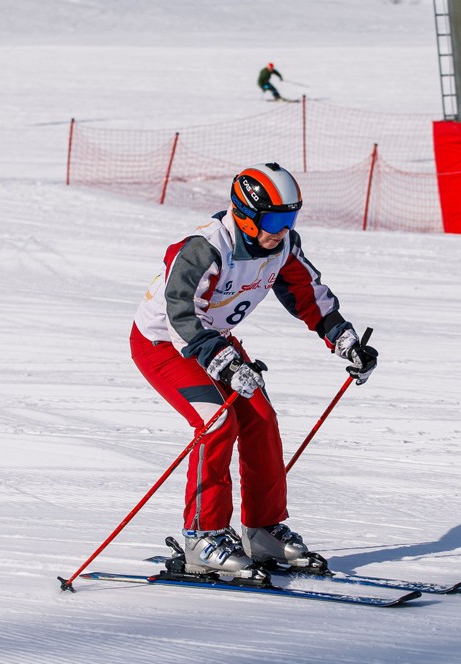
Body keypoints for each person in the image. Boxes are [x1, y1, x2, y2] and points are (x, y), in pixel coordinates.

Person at [130, 162, 378, 579]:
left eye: (290, 218)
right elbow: (180, 312)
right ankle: (202, 537)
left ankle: (263, 530)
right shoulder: (204, 248)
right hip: (163, 343)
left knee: (261, 420)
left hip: (213, 341)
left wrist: (343, 339)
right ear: (244, 214)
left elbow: (307, 293)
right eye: (275, 219)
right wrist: (222, 361)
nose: (282, 229)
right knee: (217, 422)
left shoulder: (281, 246)